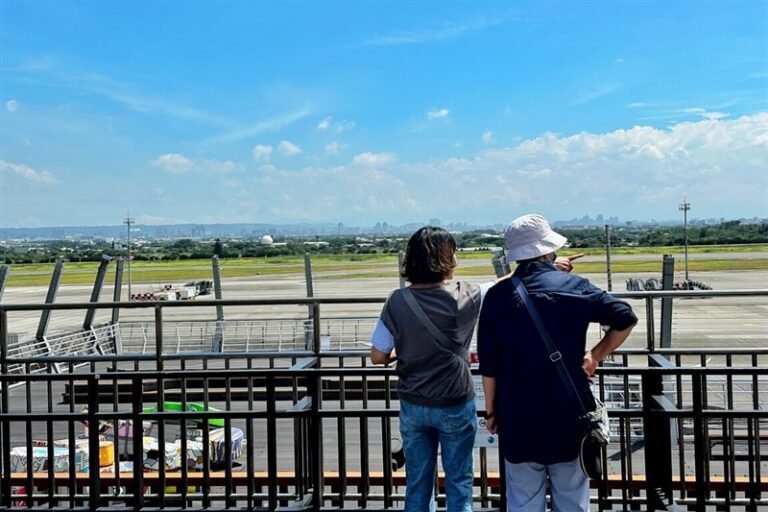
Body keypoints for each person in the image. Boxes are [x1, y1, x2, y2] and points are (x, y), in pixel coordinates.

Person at [477, 214, 638, 512]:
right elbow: (625, 317)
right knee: (572, 495)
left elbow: (489, 364)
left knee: (523, 498)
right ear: (548, 250)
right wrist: (596, 354)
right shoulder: (575, 286)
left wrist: (491, 411)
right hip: (569, 409)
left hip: (517, 411)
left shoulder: (498, 297)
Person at [370, 226, 481, 512]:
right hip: (455, 400)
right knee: (459, 482)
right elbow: (503, 283)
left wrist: (401, 351)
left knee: (417, 483)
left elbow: (377, 356)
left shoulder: (397, 300)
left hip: (413, 402)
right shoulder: (467, 294)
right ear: (447, 258)